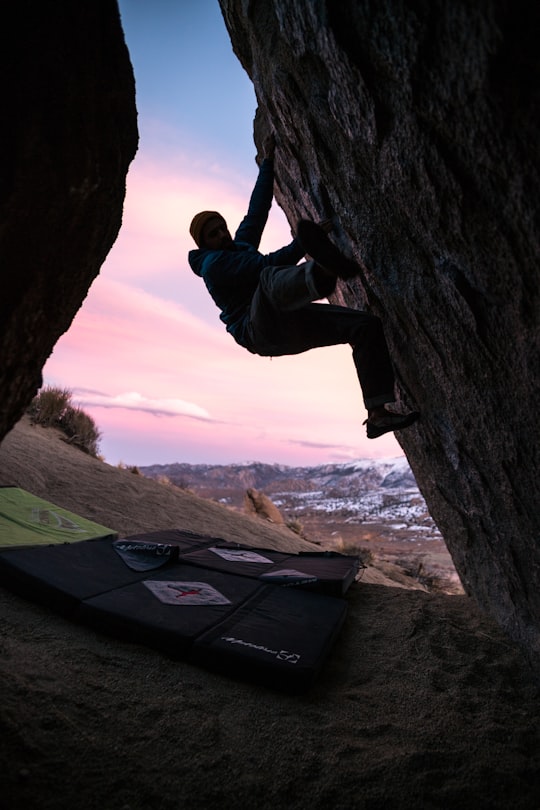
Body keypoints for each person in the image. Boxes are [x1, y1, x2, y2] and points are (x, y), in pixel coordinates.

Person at [188, 138, 419, 439]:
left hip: (288, 321)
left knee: (364, 326)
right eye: (213, 234)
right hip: (259, 329)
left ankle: (377, 415)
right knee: (268, 277)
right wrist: (302, 245)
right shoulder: (213, 265)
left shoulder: (239, 245)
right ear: (204, 243)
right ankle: (322, 273)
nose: (222, 234)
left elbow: (257, 211)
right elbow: (262, 266)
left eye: (221, 227)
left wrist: (268, 161)